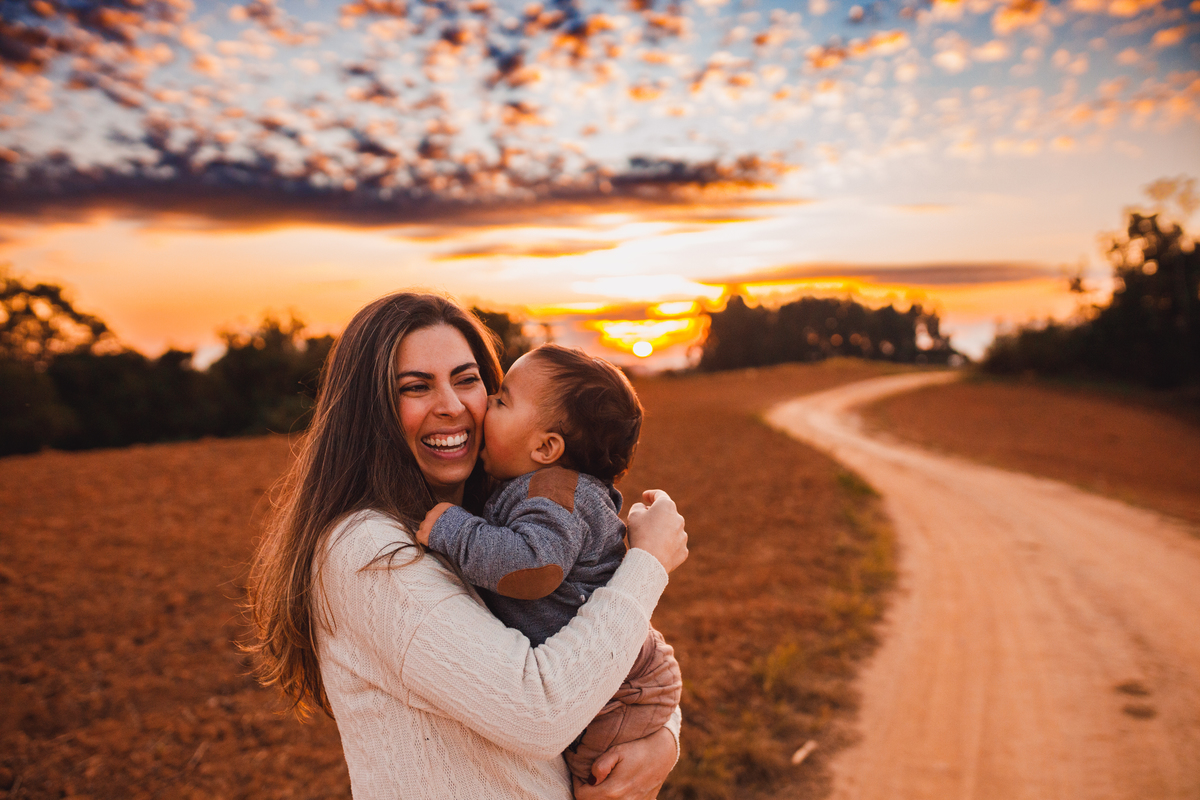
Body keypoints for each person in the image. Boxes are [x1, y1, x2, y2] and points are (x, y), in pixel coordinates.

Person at [245, 293, 688, 800]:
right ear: (370, 412)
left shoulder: (499, 521)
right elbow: (540, 714)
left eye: (468, 380)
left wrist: (662, 741)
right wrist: (648, 563)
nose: (452, 406)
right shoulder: (366, 549)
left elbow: (614, 651)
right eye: (415, 387)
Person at [415, 343, 682, 785]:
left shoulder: (555, 493)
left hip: (623, 690)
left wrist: (454, 530)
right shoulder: (535, 488)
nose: (484, 410)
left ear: (545, 446)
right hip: (614, 679)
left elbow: (533, 567)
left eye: (501, 401)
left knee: (594, 783)